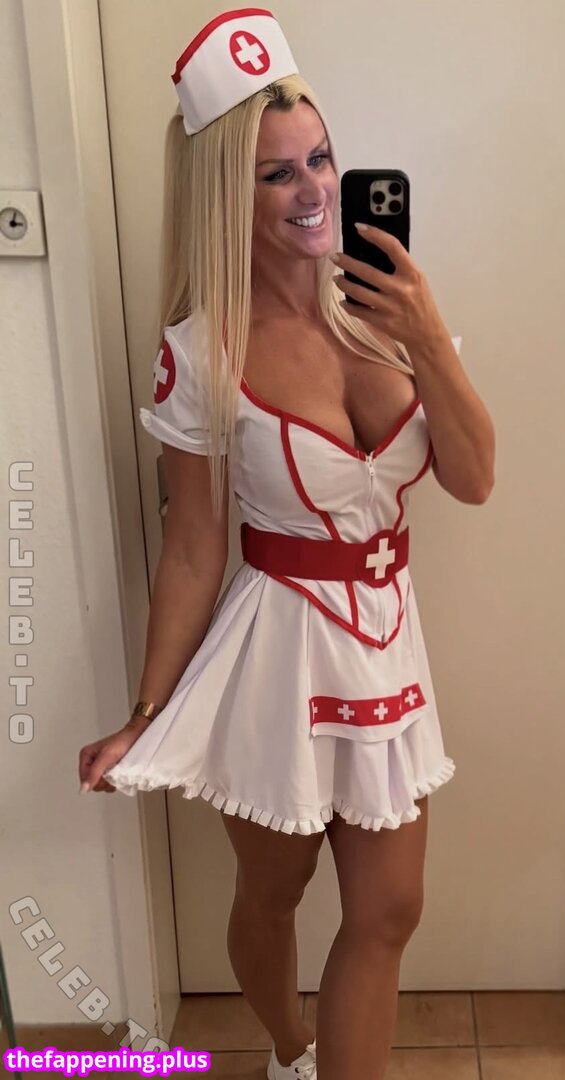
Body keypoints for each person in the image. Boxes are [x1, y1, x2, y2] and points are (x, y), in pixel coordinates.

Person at [77, 9, 495, 1080]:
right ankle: (289, 1047)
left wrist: (427, 335)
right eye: (277, 173)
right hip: (278, 660)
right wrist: (143, 715)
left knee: (389, 909)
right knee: (273, 893)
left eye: (320, 158)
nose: (314, 190)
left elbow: (473, 477)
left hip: (387, 646)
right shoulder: (200, 354)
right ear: (228, 191)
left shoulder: (385, 308)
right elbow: (192, 549)